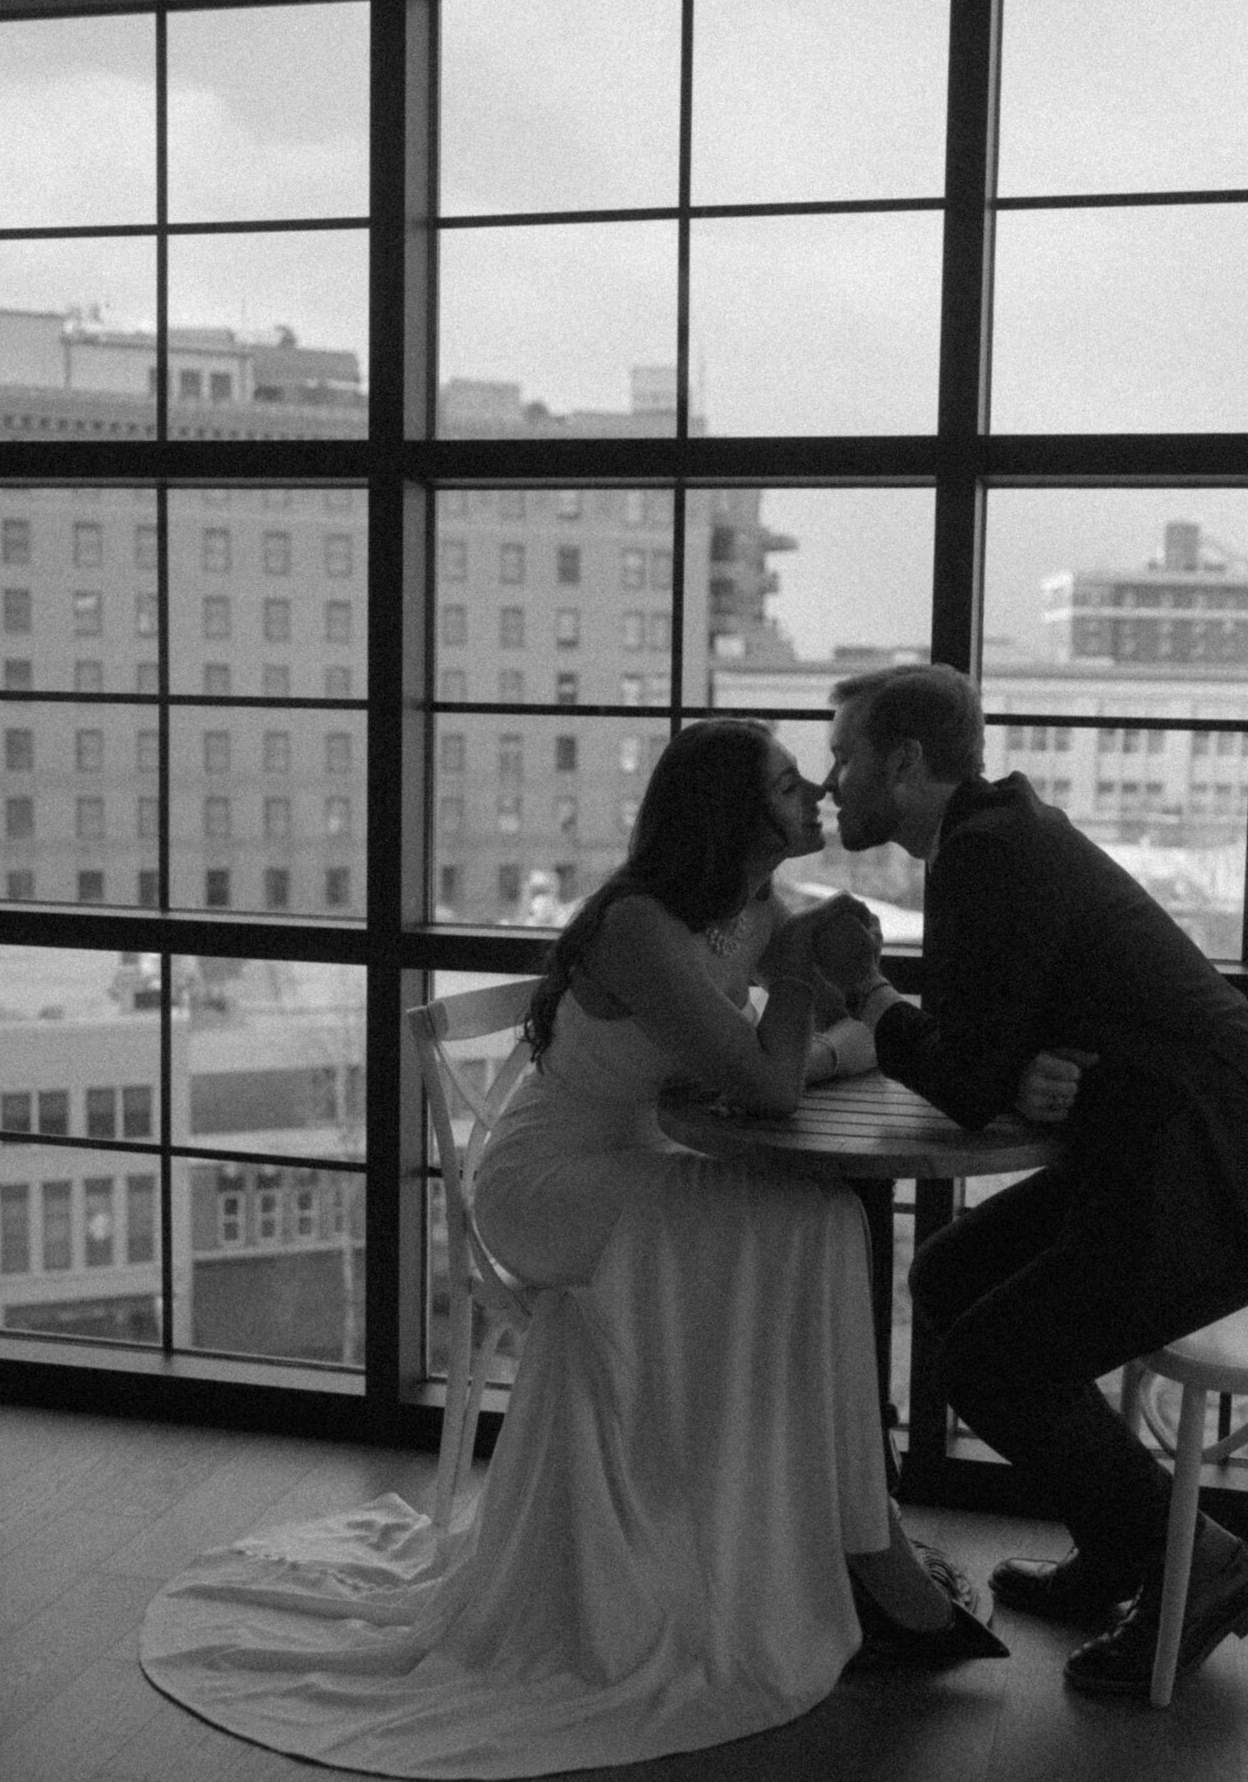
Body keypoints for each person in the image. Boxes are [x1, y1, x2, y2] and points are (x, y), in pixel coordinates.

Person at [141, 718, 1002, 1782]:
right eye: (789, 785)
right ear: (734, 814)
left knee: (820, 1221)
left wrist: (813, 999)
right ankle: (857, 1548)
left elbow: (820, 1052)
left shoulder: (749, 907)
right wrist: (792, 982)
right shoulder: (641, 925)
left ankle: (834, 1541)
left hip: (631, 1173)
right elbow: (775, 1082)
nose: (817, 793)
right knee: (815, 1222)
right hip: (546, 1186)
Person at [810, 664, 1248, 1701]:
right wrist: (1024, 1059)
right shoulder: (996, 836)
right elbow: (1006, 1037)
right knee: (948, 1276)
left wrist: (873, 996)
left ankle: (1193, 1558)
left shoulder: (984, 853)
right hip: (1177, 1146)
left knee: (991, 1359)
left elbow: (969, 1078)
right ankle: (1117, 1549)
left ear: (903, 761)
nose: (828, 778)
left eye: (842, 755)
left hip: (1239, 1168)